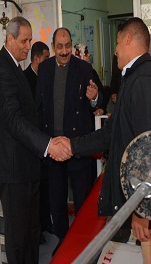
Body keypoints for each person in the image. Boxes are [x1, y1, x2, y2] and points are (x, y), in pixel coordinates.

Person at [57, 17, 151, 263]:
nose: (116, 50)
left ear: (128, 39)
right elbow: (111, 134)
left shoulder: (144, 82)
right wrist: (72, 145)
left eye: (118, 42)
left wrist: (143, 211)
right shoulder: (134, 78)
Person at [0, 17, 71, 264]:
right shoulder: (2, 69)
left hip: (26, 165)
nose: (28, 46)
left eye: (30, 40)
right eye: (24, 41)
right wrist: (47, 145)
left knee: (32, 231)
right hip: (13, 169)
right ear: (10, 39)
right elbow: (14, 120)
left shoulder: (14, 66)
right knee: (18, 236)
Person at [36, 27, 102, 254]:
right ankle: (63, 241)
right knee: (57, 199)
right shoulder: (44, 69)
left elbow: (99, 98)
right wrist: (42, 143)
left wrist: (94, 98)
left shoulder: (84, 68)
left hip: (77, 147)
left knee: (83, 199)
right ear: (53, 47)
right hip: (53, 148)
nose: (64, 51)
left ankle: (83, 245)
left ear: (71, 45)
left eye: (67, 46)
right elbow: (39, 106)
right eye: (60, 47)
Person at [23, 40, 53, 244]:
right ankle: (38, 229)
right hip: (33, 140)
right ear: (36, 58)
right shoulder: (25, 79)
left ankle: (47, 222)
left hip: (47, 138)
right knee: (35, 189)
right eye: (46, 58)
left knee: (47, 185)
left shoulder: (46, 77)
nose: (48, 62)